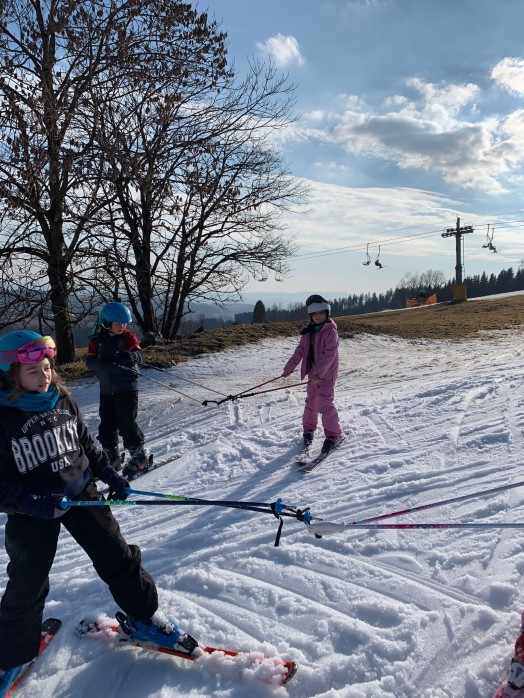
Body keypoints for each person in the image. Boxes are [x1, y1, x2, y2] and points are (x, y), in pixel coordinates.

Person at [0, 330, 194, 693]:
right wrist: (33, 503)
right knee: (27, 581)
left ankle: (144, 617)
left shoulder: (61, 399)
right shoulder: (4, 417)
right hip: (33, 511)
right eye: (33, 372)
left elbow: (86, 445)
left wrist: (110, 476)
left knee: (117, 554)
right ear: (12, 375)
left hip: (80, 493)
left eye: (47, 367)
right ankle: (9, 655)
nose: (44, 376)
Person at [86, 302, 148, 474]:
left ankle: (139, 457)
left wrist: (130, 356)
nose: (122, 327)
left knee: (126, 421)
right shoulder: (97, 340)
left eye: (124, 323)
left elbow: (139, 355)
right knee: (107, 422)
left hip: (127, 385)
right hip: (107, 387)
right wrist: (100, 363)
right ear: (107, 323)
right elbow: (89, 361)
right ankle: (111, 457)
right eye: (118, 323)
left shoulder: (128, 337)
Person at [282, 295, 343, 453]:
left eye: (320, 313)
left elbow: (329, 355)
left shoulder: (331, 332)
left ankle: (333, 434)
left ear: (326, 314)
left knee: (325, 404)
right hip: (313, 376)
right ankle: (309, 428)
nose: (317, 316)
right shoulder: (308, 331)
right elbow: (300, 351)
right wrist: (289, 368)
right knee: (311, 402)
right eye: (314, 314)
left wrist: (319, 373)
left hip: (326, 375)